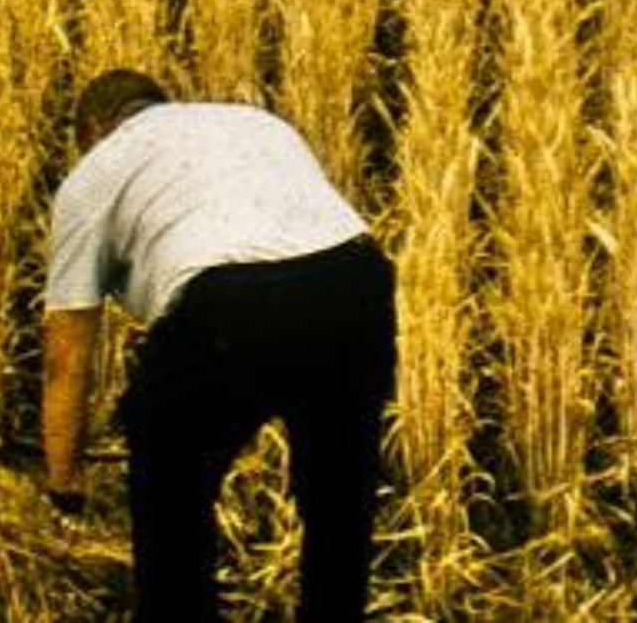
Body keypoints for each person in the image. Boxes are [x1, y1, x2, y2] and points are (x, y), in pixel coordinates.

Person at [41, 69, 397, 620]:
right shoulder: (256, 123)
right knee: (338, 500)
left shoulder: (96, 171)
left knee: (169, 486)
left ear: (91, 129)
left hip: (226, 302)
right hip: (354, 279)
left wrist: (63, 475)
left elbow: (67, 351)